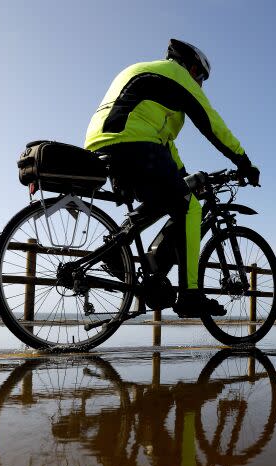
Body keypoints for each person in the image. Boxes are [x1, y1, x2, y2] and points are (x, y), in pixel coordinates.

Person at [84, 39, 260, 318]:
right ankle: (190, 295)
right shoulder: (177, 75)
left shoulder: (150, 78)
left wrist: (185, 178)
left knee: (170, 197)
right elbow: (211, 122)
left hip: (105, 143)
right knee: (190, 207)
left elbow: (165, 145)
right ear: (190, 67)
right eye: (201, 76)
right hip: (134, 143)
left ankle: (113, 250)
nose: (200, 84)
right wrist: (244, 161)